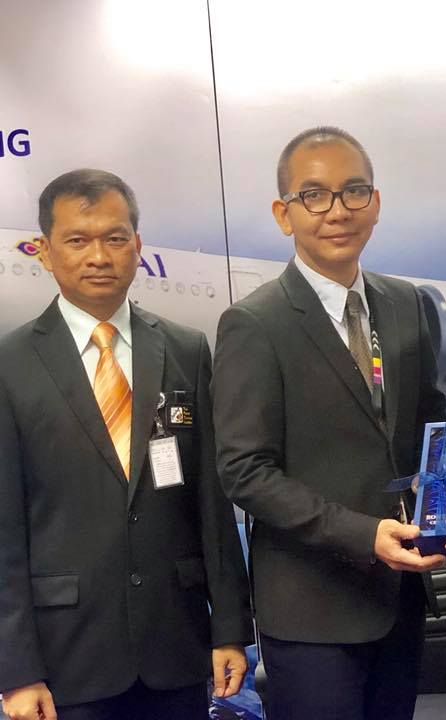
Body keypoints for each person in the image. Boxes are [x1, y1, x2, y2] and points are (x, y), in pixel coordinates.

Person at [212, 127, 446, 720]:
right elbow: (244, 470)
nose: (337, 211)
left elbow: (429, 424)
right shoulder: (254, 324)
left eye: (354, 191)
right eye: (314, 196)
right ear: (283, 214)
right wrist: (362, 535)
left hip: (400, 596)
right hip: (311, 610)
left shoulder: (404, 304)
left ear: (376, 202)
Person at [0, 169, 252, 720]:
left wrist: (230, 630)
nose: (99, 256)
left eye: (115, 238)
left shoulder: (186, 349)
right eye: (77, 240)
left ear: (137, 245)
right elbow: (4, 530)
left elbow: (212, 504)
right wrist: (16, 671)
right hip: (66, 659)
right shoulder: (10, 364)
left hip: (177, 644)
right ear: (45, 251)